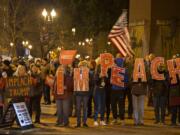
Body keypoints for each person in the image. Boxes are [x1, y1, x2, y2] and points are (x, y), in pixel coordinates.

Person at [111, 57, 128, 126]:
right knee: (113, 105)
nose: (114, 63)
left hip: (120, 90)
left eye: (115, 62)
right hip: (113, 90)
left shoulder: (124, 70)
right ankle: (115, 119)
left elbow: (126, 80)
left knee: (121, 106)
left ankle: (122, 119)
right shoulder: (112, 70)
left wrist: (122, 83)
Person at [131, 59, 147, 126]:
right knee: (138, 107)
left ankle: (138, 120)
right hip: (138, 91)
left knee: (138, 107)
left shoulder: (135, 71)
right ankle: (138, 120)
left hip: (138, 91)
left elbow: (147, 81)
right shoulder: (143, 71)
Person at [74, 61, 89, 128]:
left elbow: (92, 82)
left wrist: (88, 80)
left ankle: (84, 122)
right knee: (78, 108)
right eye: (80, 66)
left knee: (85, 108)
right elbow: (73, 81)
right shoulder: (75, 72)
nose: (82, 67)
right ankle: (78, 123)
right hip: (78, 93)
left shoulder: (88, 72)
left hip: (85, 93)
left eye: (83, 65)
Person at [168, 55, 180, 126]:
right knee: (174, 108)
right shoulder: (170, 70)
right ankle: (173, 121)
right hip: (174, 91)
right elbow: (168, 81)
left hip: (176, 90)